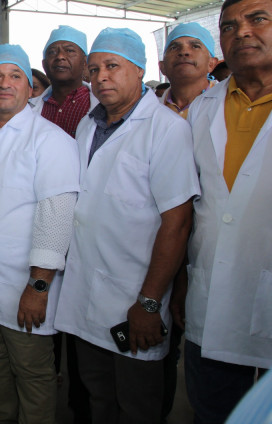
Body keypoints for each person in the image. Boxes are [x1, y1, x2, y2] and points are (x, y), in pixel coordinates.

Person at [54, 27, 200, 424]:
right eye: (94, 69)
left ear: (140, 70)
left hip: (135, 299)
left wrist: (150, 303)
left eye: (113, 66)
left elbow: (177, 223)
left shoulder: (166, 129)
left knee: (137, 404)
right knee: (98, 397)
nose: (101, 77)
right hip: (86, 294)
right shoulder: (88, 126)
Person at [0, 44, 80, 424]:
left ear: (30, 88)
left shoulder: (50, 139)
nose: (4, 84)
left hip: (22, 287)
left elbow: (56, 217)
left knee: (32, 373)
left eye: (15, 76)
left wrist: (38, 287)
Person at [181, 0, 272, 424]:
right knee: (212, 410)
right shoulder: (202, 109)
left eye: (258, 19)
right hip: (209, 293)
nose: (243, 32)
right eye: (230, 27)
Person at [30, 24, 95, 424]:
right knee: (46, 312)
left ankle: (80, 401)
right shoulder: (35, 106)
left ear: (85, 62)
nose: (60, 57)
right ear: (44, 62)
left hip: (87, 222)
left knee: (81, 323)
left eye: (69, 50)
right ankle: (48, 384)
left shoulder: (95, 103)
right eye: (53, 51)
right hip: (45, 219)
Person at [155, 21, 219, 422]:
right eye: (175, 46)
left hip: (210, 240)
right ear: (162, 65)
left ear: (213, 61)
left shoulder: (225, 108)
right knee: (158, 343)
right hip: (158, 240)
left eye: (195, 46)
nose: (184, 51)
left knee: (208, 347)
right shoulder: (147, 109)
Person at [158, 22, 219, 118]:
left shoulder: (227, 104)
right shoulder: (149, 110)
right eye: (174, 48)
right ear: (162, 67)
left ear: (211, 64)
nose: (184, 51)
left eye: (195, 46)